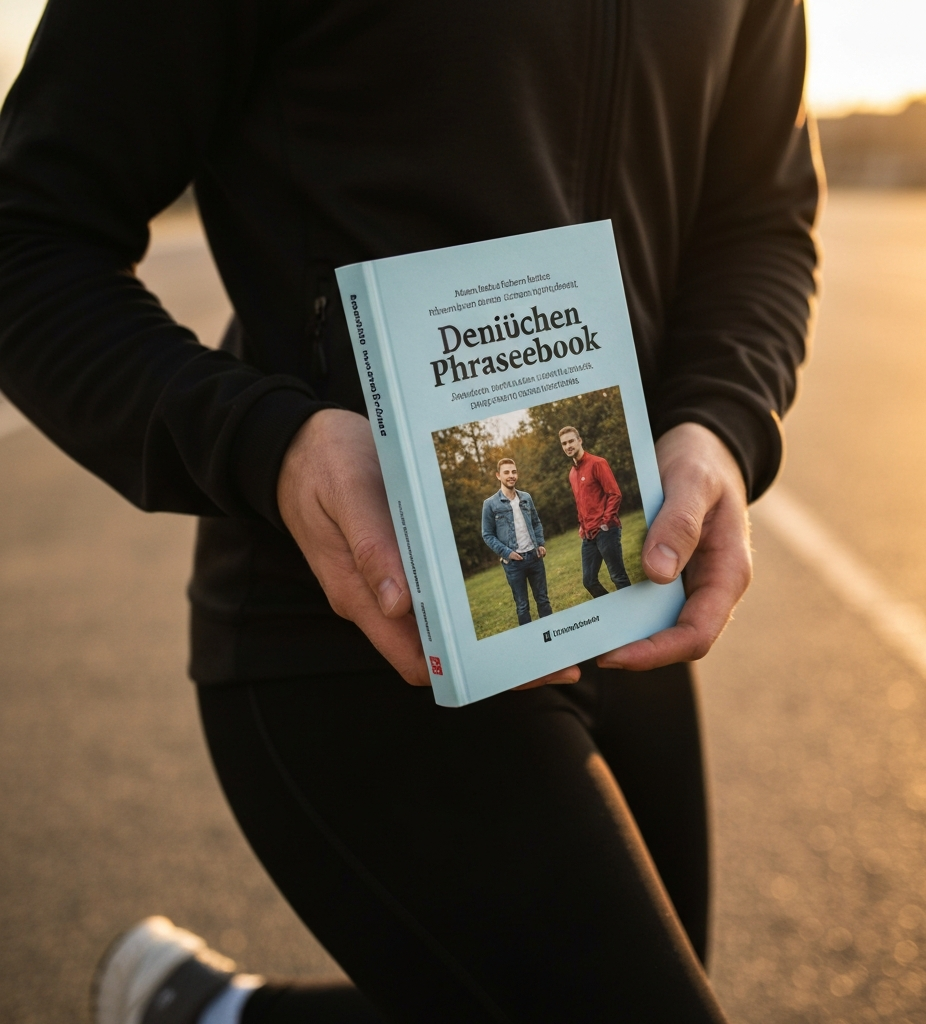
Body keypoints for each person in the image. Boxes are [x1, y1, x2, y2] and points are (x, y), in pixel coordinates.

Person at [0, 0, 820, 1019]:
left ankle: (216, 1014)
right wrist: (272, 443)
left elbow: (759, 218)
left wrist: (718, 421)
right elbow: (28, 241)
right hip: (351, 616)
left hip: (625, 606)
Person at [559, 425, 632, 597]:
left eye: (571, 441)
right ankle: (614, 609)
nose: (568, 446)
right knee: (589, 581)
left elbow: (615, 494)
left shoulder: (598, 463)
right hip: (588, 534)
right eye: (564, 443)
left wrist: (605, 522)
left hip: (606, 530)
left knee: (618, 577)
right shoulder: (572, 473)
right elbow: (581, 502)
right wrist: (582, 525)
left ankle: (635, 612)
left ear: (579, 440)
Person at [481, 458, 553, 626]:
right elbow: (487, 535)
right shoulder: (490, 504)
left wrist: (540, 544)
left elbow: (536, 522)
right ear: (498, 475)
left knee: (543, 600)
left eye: (514, 472)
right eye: (506, 472)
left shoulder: (526, 497)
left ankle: (553, 633)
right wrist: (507, 553)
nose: (511, 475)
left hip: (534, 558)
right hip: (513, 563)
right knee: (522, 607)